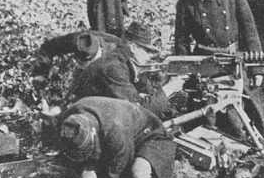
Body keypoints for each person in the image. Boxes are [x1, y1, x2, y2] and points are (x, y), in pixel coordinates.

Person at [173, 0, 264, 133]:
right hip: (204, 63)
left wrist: (258, 68)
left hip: (233, 61)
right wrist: (181, 71)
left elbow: (250, 32)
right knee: (204, 118)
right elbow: (181, 41)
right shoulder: (186, 1)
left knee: (242, 120)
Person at [57, 96, 177, 178]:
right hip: (118, 134)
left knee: (138, 175)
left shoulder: (117, 133)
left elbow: (113, 176)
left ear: (93, 133)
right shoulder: (71, 116)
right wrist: (88, 167)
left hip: (150, 138)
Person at [40, 23, 171, 118]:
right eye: (147, 51)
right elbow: (138, 108)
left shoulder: (119, 53)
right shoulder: (78, 41)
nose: (149, 56)